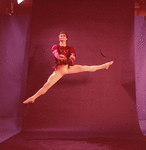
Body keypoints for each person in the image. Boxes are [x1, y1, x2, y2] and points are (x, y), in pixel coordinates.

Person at [23, 31, 113, 104]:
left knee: (86, 68)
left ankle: (104, 66)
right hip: (59, 70)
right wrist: (59, 57)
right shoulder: (55, 47)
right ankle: (33, 98)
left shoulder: (70, 48)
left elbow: (73, 54)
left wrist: (72, 57)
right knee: (46, 86)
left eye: (64, 36)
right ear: (59, 38)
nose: (62, 37)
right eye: (60, 36)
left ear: (66, 38)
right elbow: (55, 53)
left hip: (68, 68)